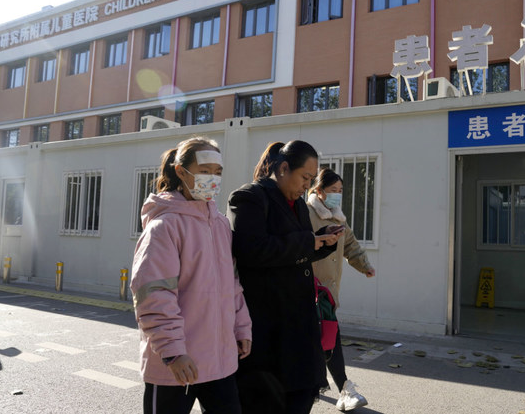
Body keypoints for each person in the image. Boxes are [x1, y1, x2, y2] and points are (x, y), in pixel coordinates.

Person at [130, 137, 252, 414]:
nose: (212, 179)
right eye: (205, 171)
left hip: (220, 361)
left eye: (217, 172)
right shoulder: (164, 226)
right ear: (181, 172)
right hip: (177, 364)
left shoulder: (220, 223)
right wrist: (173, 352)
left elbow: (232, 283)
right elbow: (153, 294)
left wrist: (241, 327)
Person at [226, 140, 344, 414]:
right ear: (283, 168)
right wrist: (307, 243)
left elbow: (298, 252)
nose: (307, 185)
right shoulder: (249, 197)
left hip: (299, 323)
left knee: (300, 398)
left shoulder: (299, 205)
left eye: (312, 179)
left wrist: (321, 242)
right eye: (305, 177)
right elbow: (250, 251)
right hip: (267, 325)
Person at [307, 168, 376, 412]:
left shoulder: (339, 217)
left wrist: (365, 265)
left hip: (328, 294)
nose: (337, 195)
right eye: (332, 191)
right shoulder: (305, 213)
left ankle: (329, 387)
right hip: (309, 292)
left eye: (340, 191)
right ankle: (344, 389)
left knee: (325, 339)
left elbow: (351, 245)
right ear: (319, 191)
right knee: (328, 339)